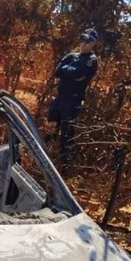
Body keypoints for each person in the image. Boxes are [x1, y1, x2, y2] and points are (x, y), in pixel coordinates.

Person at [48, 28, 99, 164]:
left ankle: (64, 164)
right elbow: (58, 71)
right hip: (61, 98)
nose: (83, 43)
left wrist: (68, 71)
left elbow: (79, 74)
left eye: (87, 41)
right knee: (54, 128)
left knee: (67, 135)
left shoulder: (91, 60)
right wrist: (70, 72)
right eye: (82, 39)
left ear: (93, 43)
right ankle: (51, 157)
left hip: (73, 101)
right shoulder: (72, 56)